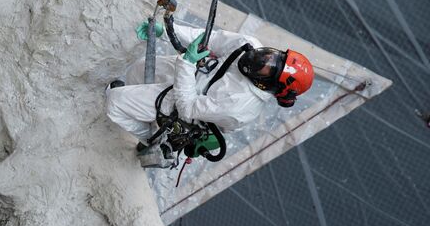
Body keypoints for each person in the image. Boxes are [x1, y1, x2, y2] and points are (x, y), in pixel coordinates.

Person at [106, 20, 314, 144]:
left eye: (270, 67)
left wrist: (187, 64)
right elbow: (210, 39)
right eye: (274, 56)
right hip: (194, 74)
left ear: (268, 84)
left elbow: (187, 108)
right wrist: (167, 32)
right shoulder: (248, 45)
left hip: (185, 108)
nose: (265, 59)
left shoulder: (240, 106)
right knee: (139, 68)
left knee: (114, 102)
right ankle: (140, 107)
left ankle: (150, 137)